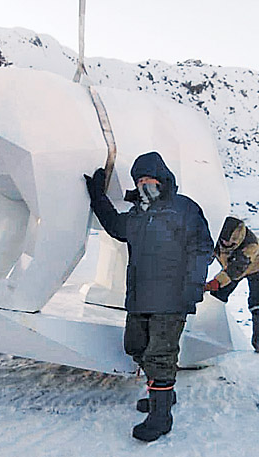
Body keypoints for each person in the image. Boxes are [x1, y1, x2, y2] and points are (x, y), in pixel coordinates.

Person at [84, 152, 213, 442]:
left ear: (163, 180)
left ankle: (160, 416)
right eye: (139, 180)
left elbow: (202, 248)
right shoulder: (138, 214)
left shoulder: (183, 208)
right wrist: (97, 197)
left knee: (160, 355)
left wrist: (193, 286)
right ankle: (162, 393)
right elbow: (116, 228)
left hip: (172, 297)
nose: (144, 184)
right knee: (136, 347)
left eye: (149, 179)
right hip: (141, 295)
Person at [205, 216, 259, 352]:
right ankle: (210, 331)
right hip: (230, 267)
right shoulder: (217, 236)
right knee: (216, 298)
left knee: (258, 302)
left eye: (229, 243)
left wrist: (214, 283)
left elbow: (234, 271)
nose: (225, 244)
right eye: (222, 241)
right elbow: (206, 256)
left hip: (258, 268)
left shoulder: (251, 245)